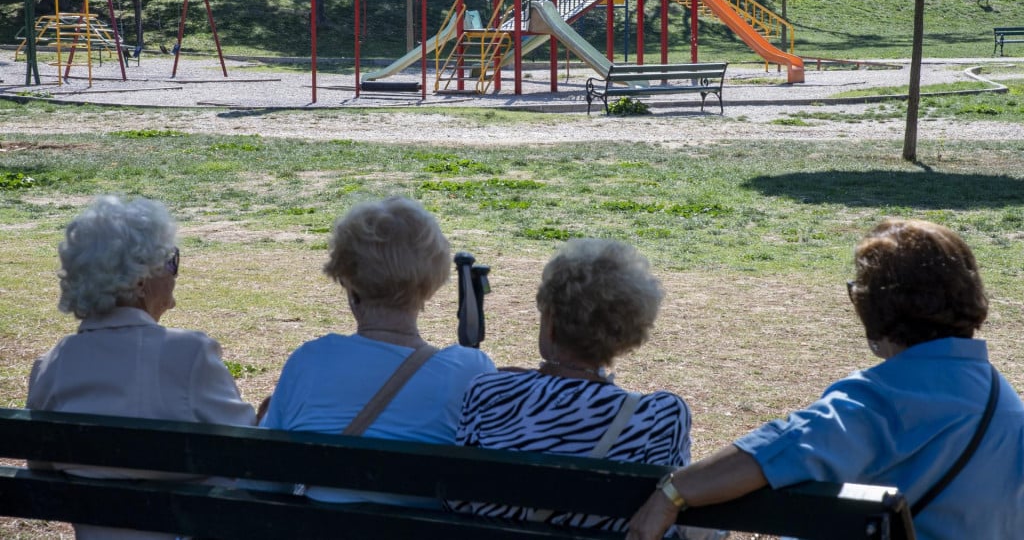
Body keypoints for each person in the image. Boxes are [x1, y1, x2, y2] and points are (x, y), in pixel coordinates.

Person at [627, 219, 1024, 540]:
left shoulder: (879, 401)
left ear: (876, 307)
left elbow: (774, 452)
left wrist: (672, 492)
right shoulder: (1005, 402)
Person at [449, 238, 724, 538]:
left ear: (550, 323)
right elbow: (666, 524)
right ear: (626, 336)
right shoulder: (661, 417)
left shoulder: (487, 392)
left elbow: (457, 501)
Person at [27, 195, 256, 540]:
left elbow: (41, 468)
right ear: (138, 281)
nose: (174, 274)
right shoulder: (189, 354)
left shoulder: (53, 365)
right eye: (170, 262)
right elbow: (251, 456)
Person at [259, 196, 495, 504]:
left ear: (347, 280)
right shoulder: (471, 371)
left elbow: (262, 485)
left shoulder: (309, 361)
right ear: (431, 284)